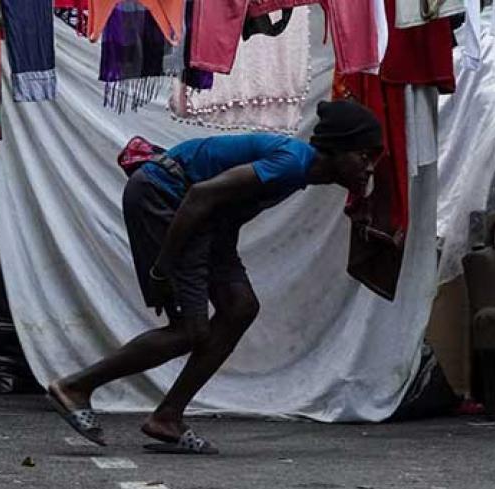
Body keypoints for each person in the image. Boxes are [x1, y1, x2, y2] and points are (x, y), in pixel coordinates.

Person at [48, 101, 384, 453]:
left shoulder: (299, 171)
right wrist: (163, 268)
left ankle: (167, 417)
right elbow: (200, 195)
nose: (369, 167)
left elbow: (227, 207)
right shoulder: (290, 163)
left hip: (206, 220)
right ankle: (76, 387)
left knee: (239, 307)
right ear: (337, 149)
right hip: (166, 196)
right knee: (189, 331)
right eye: (362, 156)